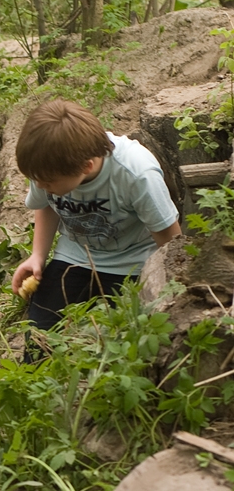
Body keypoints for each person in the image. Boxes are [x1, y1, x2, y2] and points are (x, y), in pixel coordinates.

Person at [11, 99, 181, 331]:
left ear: (86, 166)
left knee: (127, 332)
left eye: (48, 182)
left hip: (133, 262)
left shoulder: (136, 174)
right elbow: (46, 205)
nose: (39, 185)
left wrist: (171, 286)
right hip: (75, 256)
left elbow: (169, 239)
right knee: (39, 333)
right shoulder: (44, 164)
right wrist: (37, 256)